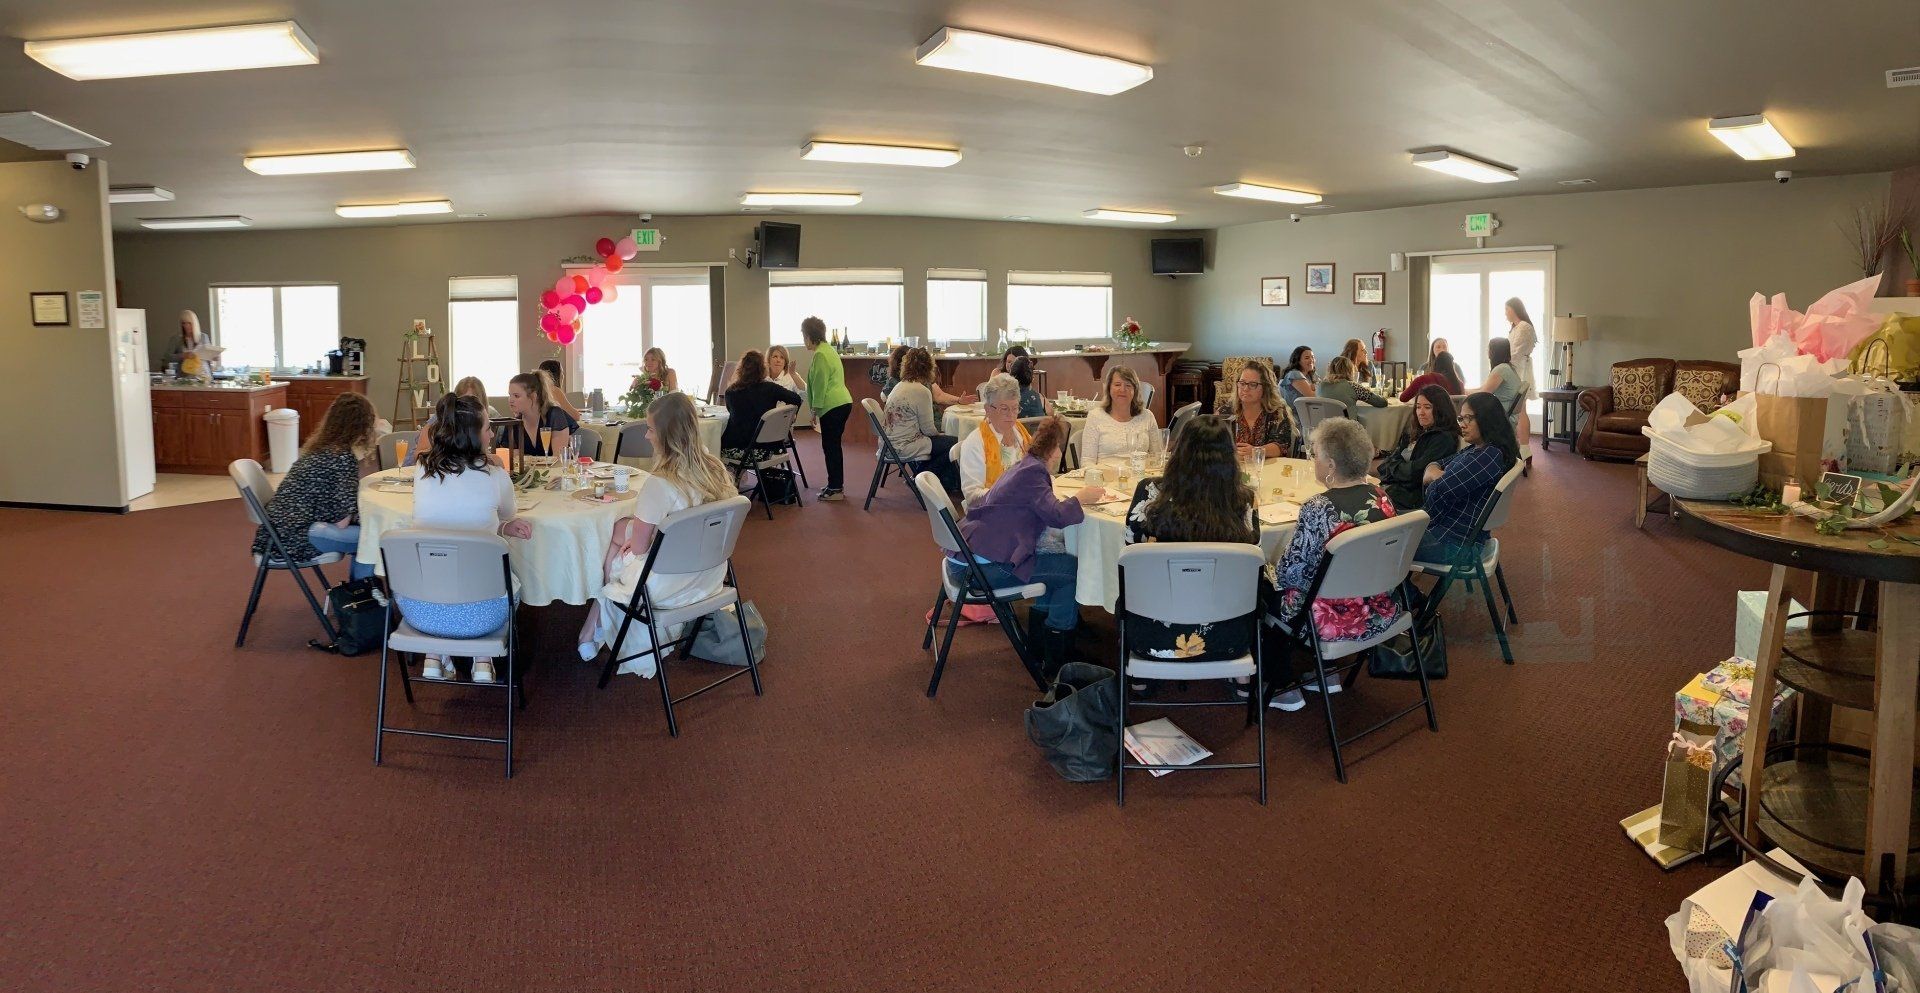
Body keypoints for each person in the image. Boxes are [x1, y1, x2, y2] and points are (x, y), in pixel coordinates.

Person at [578, 392, 738, 675]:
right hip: (710, 574)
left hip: (667, 587)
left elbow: (638, 549)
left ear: (667, 435)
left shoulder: (659, 484)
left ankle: (593, 627)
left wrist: (636, 536)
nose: (647, 436)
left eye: (651, 429)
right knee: (622, 535)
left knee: (614, 540)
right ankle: (592, 629)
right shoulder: (715, 468)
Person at [1268, 417, 1402, 710]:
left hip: (1332, 618)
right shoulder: (1382, 497)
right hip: (1380, 603)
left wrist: (1268, 568)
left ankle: (1277, 683)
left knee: (1261, 589)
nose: (1313, 461)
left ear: (1330, 465)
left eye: (1315, 456)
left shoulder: (1318, 508)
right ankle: (1324, 672)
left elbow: (1290, 574)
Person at [954, 416, 1107, 671]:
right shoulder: (1033, 474)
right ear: (1052, 449)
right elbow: (1057, 516)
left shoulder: (1025, 466)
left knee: (1052, 560)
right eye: (1058, 448)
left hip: (973, 556)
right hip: (984, 569)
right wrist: (1081, 498)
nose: (1059, 454)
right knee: (1070, 571)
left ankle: (1039, 646)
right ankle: (1059, 655)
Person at [408, 394, 535, 683]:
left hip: (422, 609)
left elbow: (454, 520)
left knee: (445, 573)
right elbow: (506, 514)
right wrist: (504, 527)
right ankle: (482, 659)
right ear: (473, 434)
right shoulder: (494, 476)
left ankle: (434, 652)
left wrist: (499, 528)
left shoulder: (422, 470)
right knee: (495, 577)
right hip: (484, 613)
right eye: (488, 427)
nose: (492, 433)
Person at [1122, 415, 1260, 667]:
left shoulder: (1150, 492)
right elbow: (1252, 554)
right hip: (1228, 635)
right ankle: (1241, 676)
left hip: (1153, 634)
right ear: (1230, 458)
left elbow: (1131, 546)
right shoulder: (1243, 501)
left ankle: (1140, 681)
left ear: (1180, 451)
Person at [251, 392, 381, 580]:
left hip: (275, 535)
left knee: (367, 531)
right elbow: (341, 522)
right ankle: (361, 594)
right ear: (361, 427)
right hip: (297, 539)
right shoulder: (342, 458)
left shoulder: (320, 449)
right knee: (374, 537)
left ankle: (360, 593)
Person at [1416, 391, 1520, 565]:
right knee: (1386, 533)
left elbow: (1435, 493)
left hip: (1454, 543)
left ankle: (1411, 594)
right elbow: (1435, 464)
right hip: (1453, 533)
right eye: (1460, 418)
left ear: (1487, 420)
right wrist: (1439, 474)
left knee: (1379, 547)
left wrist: (1436, 477)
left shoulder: (1488, 455)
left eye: (1468, 418)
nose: (1462, 425)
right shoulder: (1477, 448)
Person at [720, 350, 804, 484]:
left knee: (713, 446)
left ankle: (728, 484)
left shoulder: (731, 392)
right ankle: (735, 481)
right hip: (769, 448)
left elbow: (733, 414)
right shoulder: (771, 388)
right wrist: (790, 416)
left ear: (741, 369)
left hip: (741, 449)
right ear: (762, 368)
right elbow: (797, 399)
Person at [884, 347, 961, 492]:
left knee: (943, 443)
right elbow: (929, 430)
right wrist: (941, 435)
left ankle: (922, 477)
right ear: (928, 368)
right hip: (904, 445)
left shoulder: (900, 385)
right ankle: (920, 478)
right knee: (955, 443)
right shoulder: (922, 391)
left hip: (889, 444)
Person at [1376, 384, 1461, 511]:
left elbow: (1415, 474)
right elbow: (1387, 463)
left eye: (1427, 407)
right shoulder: (1418, 431)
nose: (1420, 412)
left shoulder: (1443, 439)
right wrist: (1394, 466)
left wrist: (1394, 466)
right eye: (1418, 407)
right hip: (1396, 488)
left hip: (1412, 499)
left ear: (1440, 410)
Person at [957, 373, 1033, 507]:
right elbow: (972, 497)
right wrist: (1007, 493)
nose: (1011, 415)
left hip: (1024, 506)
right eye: (1004, 409)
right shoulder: (975, 443)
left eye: (1015, 408)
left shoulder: (1021, 435)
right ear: (988, 409)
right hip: (992, 514)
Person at [803, 316, 853, 501]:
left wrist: (814, 410)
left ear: (809, 336)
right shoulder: (828, 350)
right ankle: (835, 484)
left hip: (833, 405)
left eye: (804, 335)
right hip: (841, 403)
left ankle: (836, 488)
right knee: (833, 446)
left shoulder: (821, 354)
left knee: (831, 447)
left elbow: (819, 384)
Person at [1079, 366, 1163, 465]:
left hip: (1140, 476)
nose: (1122, 389)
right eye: (1117, 384)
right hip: (1106, 477)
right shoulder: (1095, 416)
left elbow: (1157, 456)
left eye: (1128, 385)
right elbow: (1087, 461)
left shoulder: (1147, 416)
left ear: (1135, 390)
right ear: (1109, 388)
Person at [1214, 358, 1294, 459]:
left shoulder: (1277, 412)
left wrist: (1255, 451)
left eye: (1253, 384)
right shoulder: (1225, 412)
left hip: (1267, 469)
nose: (1245, 389)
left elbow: (1280, 446)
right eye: (1242, 383)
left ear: (1265, 388)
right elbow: (1212, 443)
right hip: (1233, 469)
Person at [404, 376, 488, 467]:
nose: (468, 407)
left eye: (473, 402)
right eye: (463, 402)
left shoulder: (482, 424)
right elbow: (418, 455)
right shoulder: (438, 420)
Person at [506, 371, 576, 458]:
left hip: (557, 470)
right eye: (510, 395)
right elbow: (514, 459)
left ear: (533, 396)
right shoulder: (514, 423)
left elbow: (558, 459)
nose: (510, 400)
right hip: (530, 471)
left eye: (516, 396)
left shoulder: (554, 415)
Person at [1504, 297, 1537, 466]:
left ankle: (1525, 448)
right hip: (1514, 369)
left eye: (1507, 309)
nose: (1505, 313)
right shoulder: (1515, 328)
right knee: (1519, 410)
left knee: (1521, 409)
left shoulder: (1524, 327)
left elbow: (1515, 353)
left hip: (1519, 371)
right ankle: (1521, 448)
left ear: (1514, 309)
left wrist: (1504, 367)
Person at [1475, 337, 1524, 436]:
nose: (1487, 351)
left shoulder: (1501, 369)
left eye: (1489, 348)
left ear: (1494, 351)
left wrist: (1461, 391)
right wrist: (1462, 389)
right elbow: (1483, 388)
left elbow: (1483, 394)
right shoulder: (1507, 367)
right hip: (1506, 414)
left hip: (1500, 416)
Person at [1319, 355, 1389, 416]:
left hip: (1324, 428)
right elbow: (1382, 403)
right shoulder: (1353, 386)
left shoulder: (1320, 386)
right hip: (1348, 428)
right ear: (1350, 370)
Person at [766, 344, 811, 428]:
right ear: (768, 360)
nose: (778, 360)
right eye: (775, 356)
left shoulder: (791, 376)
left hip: (783, 420)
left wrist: (793, 374)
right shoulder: (763, 378)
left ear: (785, 362)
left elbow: (806, 395)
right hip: (765, 419)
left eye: (782, 357)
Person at [168, 310, 218, 377]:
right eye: (183, 323)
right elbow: (168, 357)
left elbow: (209, 357)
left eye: (189, 323)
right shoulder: (176, 339)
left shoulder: (204, 337)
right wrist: (183, 355)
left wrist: (213, 357)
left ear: (194, 323)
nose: (186, 326)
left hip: (204, 376)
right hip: (184, 378)